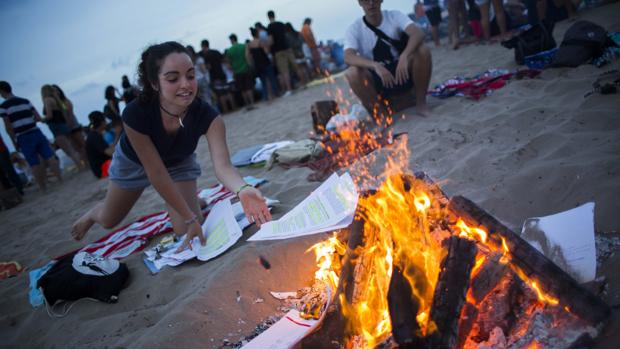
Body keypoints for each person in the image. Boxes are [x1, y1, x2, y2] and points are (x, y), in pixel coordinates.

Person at [71, 42, 271, 251]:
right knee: (109, 220)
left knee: (184, 231)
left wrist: (243, 189)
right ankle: (94, 212)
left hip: (178, 161)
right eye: (173, 78)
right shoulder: (135, 113)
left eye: (191, 76)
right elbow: (156, 172)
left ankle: (192, 200)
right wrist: (188, 217)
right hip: (134, 163)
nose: (185, 84)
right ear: (154, 83)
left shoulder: (209, 116)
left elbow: (223, 167)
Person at [344, 0, 432, 116]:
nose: (371, 3)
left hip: (402, 71)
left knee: (423, 50)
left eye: (374, 0)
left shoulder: (394, 16)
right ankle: (381, 114)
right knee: (352, 73)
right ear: (360, 3)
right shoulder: (354, 29)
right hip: (379, 78)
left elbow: (418, 33)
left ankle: (421, 103)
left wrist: (404, 55)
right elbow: (348, 56)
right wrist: (375, 65)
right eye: (366, 0)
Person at [0, 81, 62, 191]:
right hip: (35, 131)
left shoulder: (4, 107)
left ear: (2, 91)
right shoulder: (25, 101)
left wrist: (14, 141)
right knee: (49, 156)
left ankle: (43, 188)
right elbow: (37, 117)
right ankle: (60, 180)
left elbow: (8, 127)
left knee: (34, 162)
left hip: (23, 136)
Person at [41, 84, 84, 170]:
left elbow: (50, 115)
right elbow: (65, 110)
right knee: (73, 148)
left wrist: (40, 119)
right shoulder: (58, 101)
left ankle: (80, 165)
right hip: (64, 126)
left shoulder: (48, 100)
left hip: (58, 127)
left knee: (70, 150)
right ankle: (82, 164)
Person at [266, 10, 307, 95]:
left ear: (268, 17)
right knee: (296, 66)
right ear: (274, 15)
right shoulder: (281, 24)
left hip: (278, 51)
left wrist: (269, 50)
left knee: (284, 71)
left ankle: (289, 89)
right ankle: (304, 83)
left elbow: (271, 40)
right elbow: (286, 36)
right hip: (287, 48)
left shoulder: (269, 27)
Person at [53, 84, 88, 167]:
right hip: (67, 128)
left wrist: (57, 99)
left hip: (73, 126)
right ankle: (85, 163)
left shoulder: (65, 101)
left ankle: (89, 161)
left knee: (83, 145)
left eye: (56, 90)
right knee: (76, 148)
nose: (56, 92)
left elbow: (68, 112)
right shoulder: (56, 105)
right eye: (53, 91)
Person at [199, 40, 236, 113]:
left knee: (221, 94)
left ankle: (226, 110)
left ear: (203, 46)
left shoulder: (206, 55)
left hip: (215, 77)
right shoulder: (216, 51)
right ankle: (234, 107)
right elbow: (224, 60)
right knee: (227, 92)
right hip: (222, 74)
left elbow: (208, 67)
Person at [225, 34, 255, 109]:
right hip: (246, 69)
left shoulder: (230, 50)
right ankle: (252, 103)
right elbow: (248, 56)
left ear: (231, 40)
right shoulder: (243, 46)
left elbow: (228, 64)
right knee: (248, 87)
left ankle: (247, 105)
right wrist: (250, 65)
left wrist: (233, 69)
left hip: (237, 72)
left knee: (242, 89)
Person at [247, 27, 278, 101]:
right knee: (272, 79)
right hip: (265, 62)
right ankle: (275, 93)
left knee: (263, 82)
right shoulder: (260, 42)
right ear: (257, 34)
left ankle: (266, 97)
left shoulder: (249, 44)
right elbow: (266, 51)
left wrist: (251, 64)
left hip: (258, 65)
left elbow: (247, 56)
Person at [85, 111, 119, 178]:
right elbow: (111, 152)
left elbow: (109, 149)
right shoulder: (95, 137)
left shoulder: (94, 135)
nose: (106, 122)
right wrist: (118, 135)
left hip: (103, 167)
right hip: (103, 169)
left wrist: (117, 137)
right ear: (102, 122)